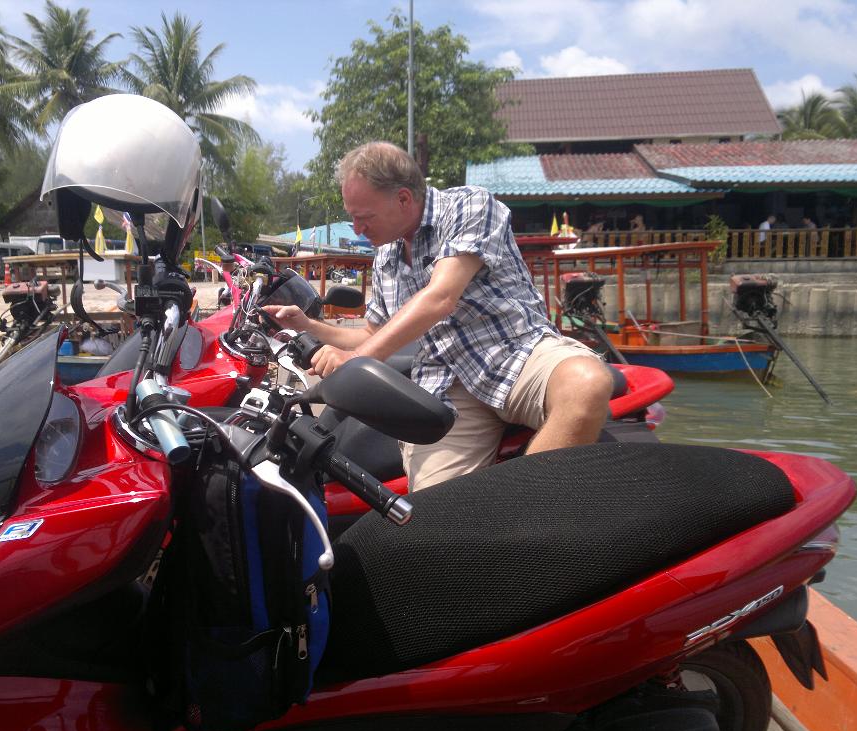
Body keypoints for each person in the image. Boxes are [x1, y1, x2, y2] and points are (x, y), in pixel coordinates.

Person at [263, 141, 613, 492]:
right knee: (437, 513)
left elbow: (441, 296)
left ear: (403, 199)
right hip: (446, 384)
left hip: (516, 352)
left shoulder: (469, 205)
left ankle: (529, 516)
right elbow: (373, 333)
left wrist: (354, 360)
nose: (356, 229)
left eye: (363, 218)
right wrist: (307, 325)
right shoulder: (387, 255)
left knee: (586, 384)